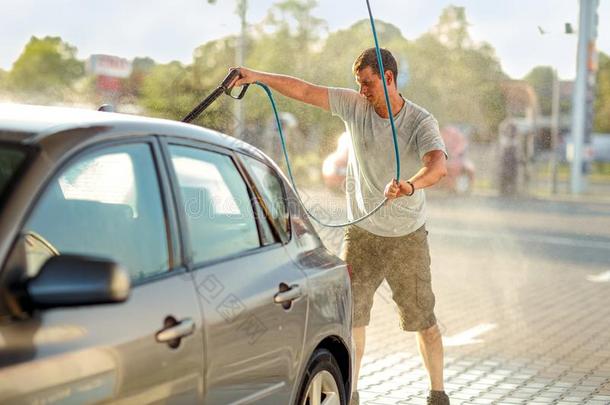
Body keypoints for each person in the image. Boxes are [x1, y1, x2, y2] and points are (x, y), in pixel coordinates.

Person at [231, 47, 450, 405]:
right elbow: (305, 90)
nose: (362, 91)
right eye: (359, 84)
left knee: (423, 322)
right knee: (351, 320)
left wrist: (409, 185)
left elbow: (438, 166)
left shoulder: (420, 121)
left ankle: (438, 394)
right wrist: (257, 76)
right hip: (362, 235)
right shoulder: (354, 106)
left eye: (367, 83)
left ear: (389, 78)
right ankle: (351, 394)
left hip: (407, 237)